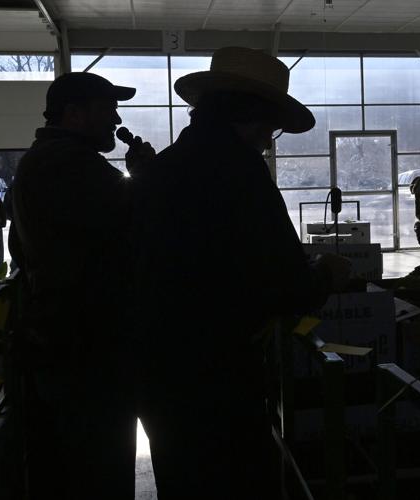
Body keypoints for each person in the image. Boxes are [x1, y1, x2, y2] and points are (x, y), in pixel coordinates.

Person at [131, 47, 351, 499]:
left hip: (157, 372)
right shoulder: (239, 173)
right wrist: (327, 274)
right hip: (219, 378)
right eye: (270, 126)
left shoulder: (161, 170)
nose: (270, 140)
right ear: (251, 115)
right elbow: (285, 286)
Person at [10, 72, 154, 500]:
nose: (115, 118)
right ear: (74, 114)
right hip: (86, 353)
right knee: (99, 471)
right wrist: (146, 177)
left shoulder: (42, 161)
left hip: (63, 345)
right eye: (107, 108)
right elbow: (131, 225)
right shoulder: (69, 165)